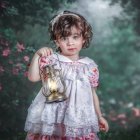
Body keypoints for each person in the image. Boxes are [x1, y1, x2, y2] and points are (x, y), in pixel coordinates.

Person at [24, 10, 109, 140]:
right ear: (57, 41)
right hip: (54, 115)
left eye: (75, 37)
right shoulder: (52, 60)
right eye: (64, 38)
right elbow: (33, 77)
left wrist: (99, 116)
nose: (70, 42)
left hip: (77, 117)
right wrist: (37, 55)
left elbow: (93, 94)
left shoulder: (89, 66)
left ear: (84, 38)